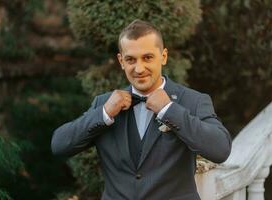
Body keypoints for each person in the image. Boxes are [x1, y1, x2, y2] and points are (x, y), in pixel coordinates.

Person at [51, 19, 232, 200]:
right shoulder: (104, 103)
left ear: (163, 56)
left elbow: (220, 149)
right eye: (130, 59)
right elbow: (59, 145)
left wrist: (169, 110)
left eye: (147, 57)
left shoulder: (193, 101)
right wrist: (104, 113)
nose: (139, 68)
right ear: (121, 61)